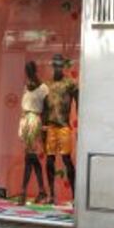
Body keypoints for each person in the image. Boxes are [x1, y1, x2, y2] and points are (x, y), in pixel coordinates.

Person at [44, 54, 78, 205]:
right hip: (50, 126)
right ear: (52, 66)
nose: (57, 68)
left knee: (66, 160)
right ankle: (51, 194)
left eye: (60, 65)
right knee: (49, 160)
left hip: (64, 126)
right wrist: (42, 126)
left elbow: (79, 102)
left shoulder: (70, 84)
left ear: (63, 66)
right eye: (55, 65)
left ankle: (75, 196)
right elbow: (44, 107)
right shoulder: (47, 85)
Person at [18, 61, 48, 205]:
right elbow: (24, 109)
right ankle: (41, 191)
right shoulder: (27, 87)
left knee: (29, 158)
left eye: (29, 70)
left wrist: (45, 126)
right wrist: (22, 126)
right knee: (31, 159)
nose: (28, 73)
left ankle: (23, 192)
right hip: (27, 121)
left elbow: (46, 108)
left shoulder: (43, 88)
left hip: (35, 122)